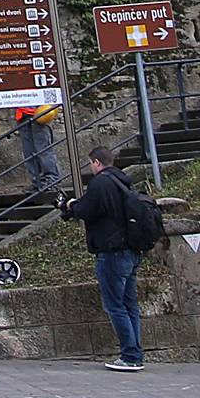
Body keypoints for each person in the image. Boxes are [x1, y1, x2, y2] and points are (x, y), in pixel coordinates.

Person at [60, 144, 146, 371]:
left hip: (112, 252)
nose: (91, 167)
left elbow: (87, 210)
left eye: (91, 163)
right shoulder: (123, 181)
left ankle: (130, 355)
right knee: (130, 305)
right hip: (130, 249)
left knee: (115, 306)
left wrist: (70, 205)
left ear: (97, 162)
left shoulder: (101, 183)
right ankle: (135, 352)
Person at [16, 105, 61, 197]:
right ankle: (37, 181)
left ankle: (51, 180)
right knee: (29, 152)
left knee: (43, 150)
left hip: (39, 112)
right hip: (22, 114)